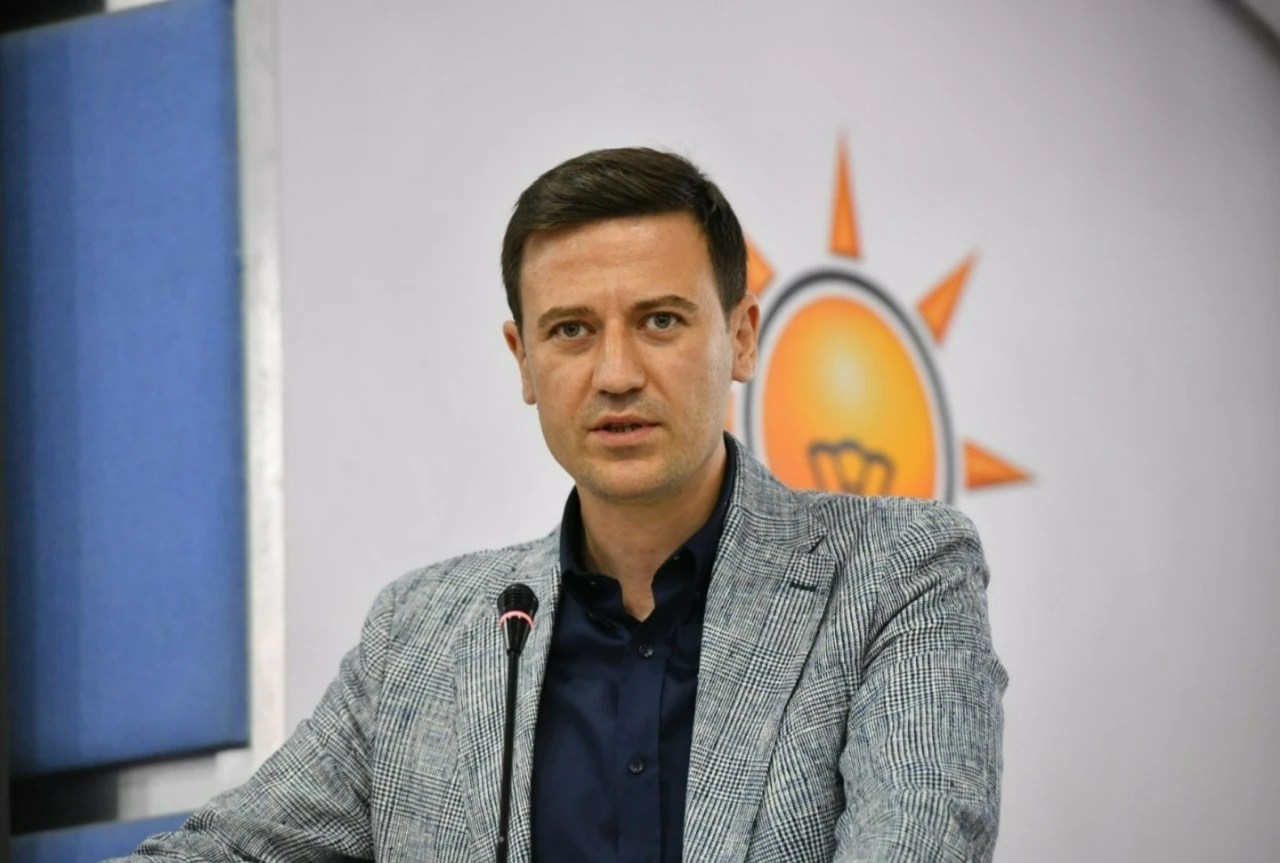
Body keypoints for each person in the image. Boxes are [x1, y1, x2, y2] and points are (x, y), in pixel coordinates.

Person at [113, 148, 1007, 863]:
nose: (616, 373)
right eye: (572, 330)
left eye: (659, 320)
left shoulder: (896, 576)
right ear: (524, 361)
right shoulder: (419, 638)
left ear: (741, 337)